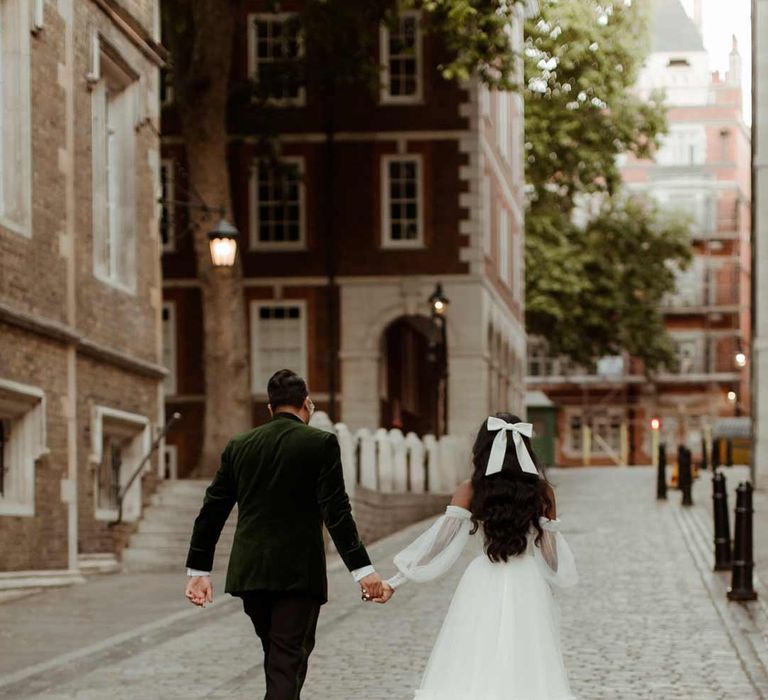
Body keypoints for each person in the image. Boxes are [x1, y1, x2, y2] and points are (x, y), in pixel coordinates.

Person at [184, 369, 384, 700]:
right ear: (307, 404)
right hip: (297, 576)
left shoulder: (239, 445)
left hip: (251, 576)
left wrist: (198, 571)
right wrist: (363, 570)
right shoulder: (320, 443)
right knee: (286, 662)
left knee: (279, 658)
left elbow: (212, 510)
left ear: (270, 408)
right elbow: (336, 511)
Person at [375, 412, 578, 700]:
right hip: (527, 581)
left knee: (475, 657)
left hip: (483, 580)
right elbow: (551, 557)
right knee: (528, 661)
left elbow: (439, 543)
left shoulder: (470, 490)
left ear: (483, 448)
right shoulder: (543, 493)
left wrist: (395, 581)